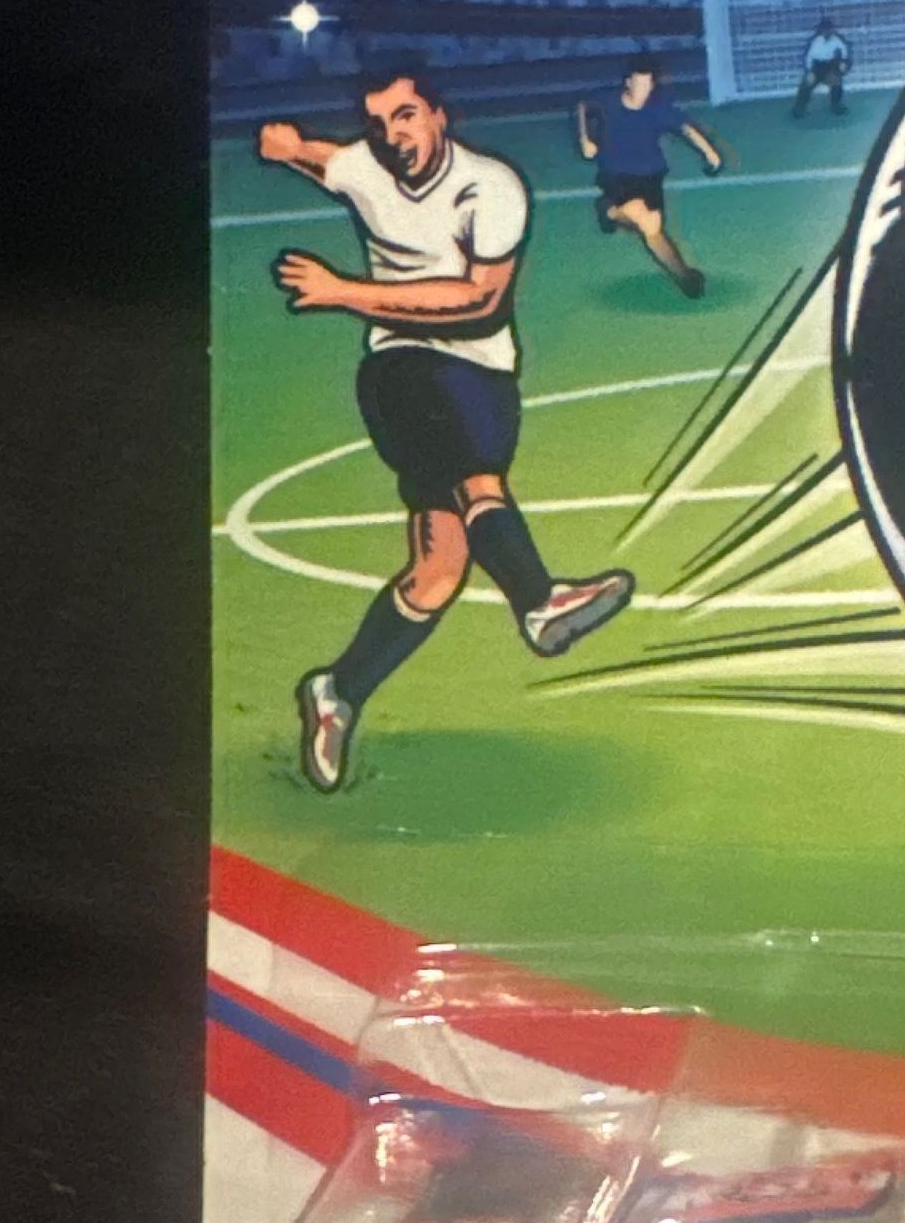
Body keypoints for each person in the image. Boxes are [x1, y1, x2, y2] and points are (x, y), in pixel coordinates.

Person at [259, 68, 635, 793]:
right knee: (477, 481)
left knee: (437, 571)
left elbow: (481, 303)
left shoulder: (491, 188)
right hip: (400, 366)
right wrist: (289, 146)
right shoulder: (367, 167)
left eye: (405, 116)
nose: (391, 135)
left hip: (483, 369)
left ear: (438, 115)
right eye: (378, 122)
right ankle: (538, 601)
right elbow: (328, 161)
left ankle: (335, 690)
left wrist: (344, 292)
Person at [575, 61, 728, 296]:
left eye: (648, 84)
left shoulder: (657, 108)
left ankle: (683, 274)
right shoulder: (608, 101)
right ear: (628, 83)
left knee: (653, 228)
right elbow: (583, 107)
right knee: (643, 218)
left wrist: (709, 152)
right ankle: (686, 280)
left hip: (651, 177)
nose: (644, 90)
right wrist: (585, 139)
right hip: (616, 175)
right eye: (639, 83)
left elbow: (686, 129)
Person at [791, 14, 852, 119]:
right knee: (806, 85)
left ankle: (836, 105)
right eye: (825, 30)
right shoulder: (815, 41)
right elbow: (808, 57)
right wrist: (809, 72)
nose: (827, 32)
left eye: (829, 29)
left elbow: (844, 50)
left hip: (829, 66)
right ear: (821, 30)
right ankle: (799, 108)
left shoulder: (836, 39)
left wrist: (843, 62)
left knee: (836, 82)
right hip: (816, 67)